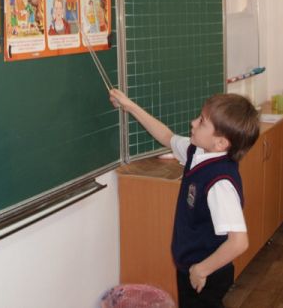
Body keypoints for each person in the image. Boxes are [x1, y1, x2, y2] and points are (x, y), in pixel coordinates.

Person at [109, 89, 259, 308]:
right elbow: (166, 136)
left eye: (202, 121)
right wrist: (129, 106)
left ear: (220, 143)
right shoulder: (197, 152)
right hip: (191, 266)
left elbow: (239, 242)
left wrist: (201, 270)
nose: (193, 122)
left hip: (207, 271)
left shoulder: (220, 183)